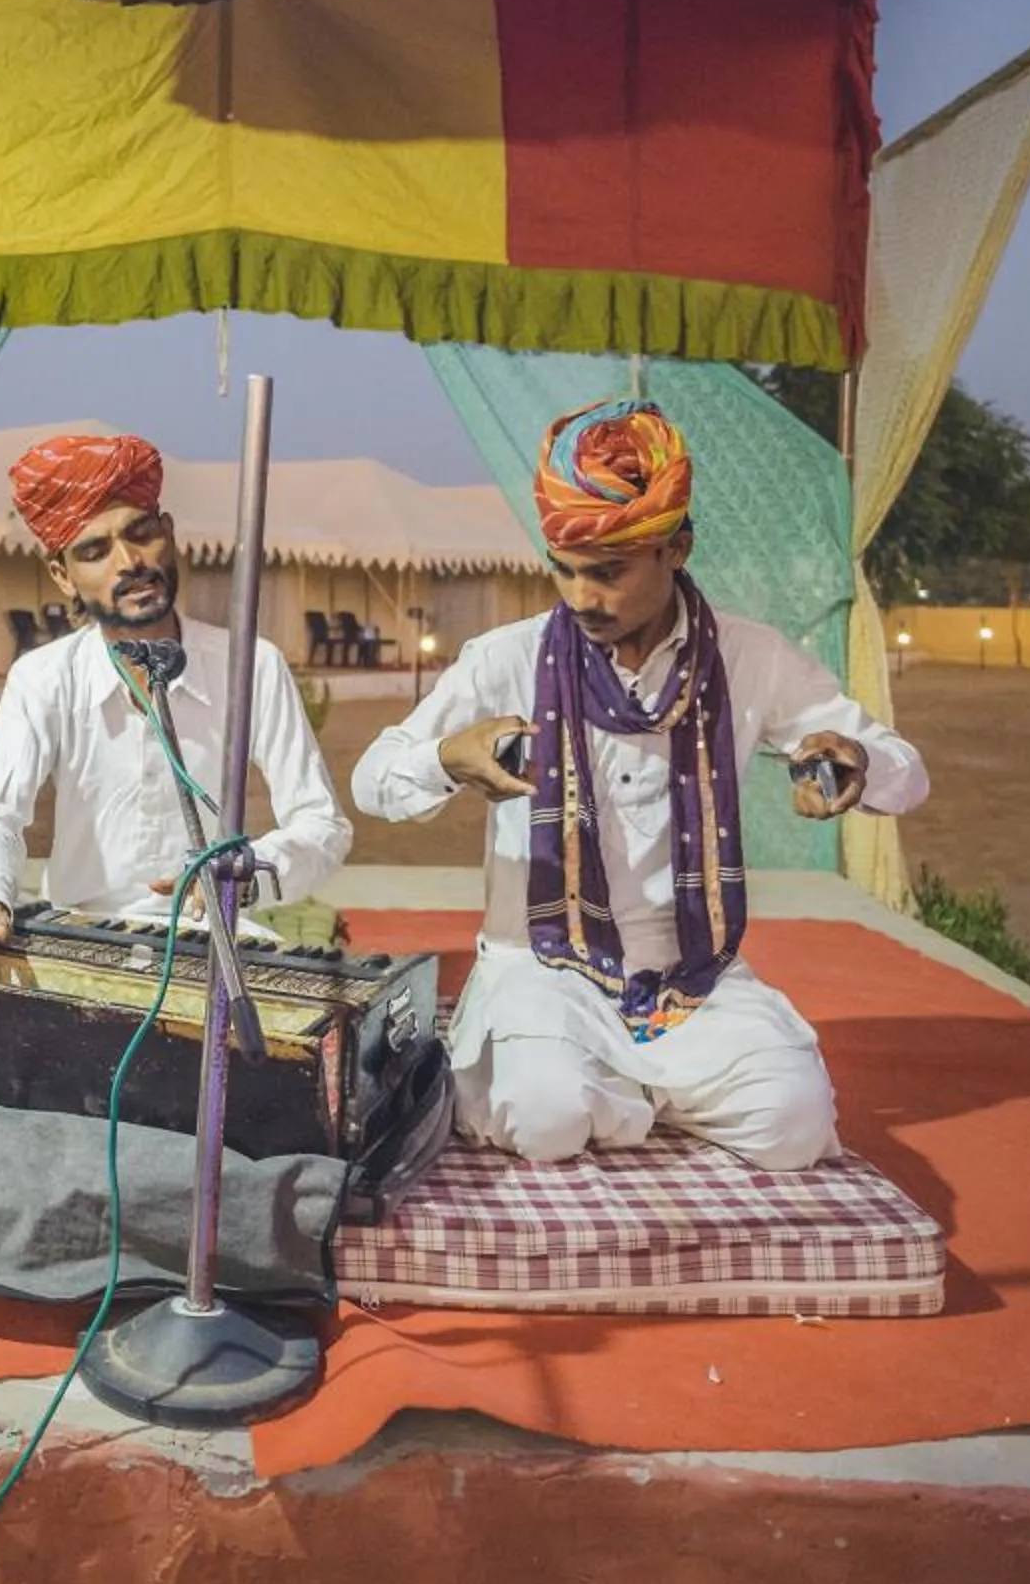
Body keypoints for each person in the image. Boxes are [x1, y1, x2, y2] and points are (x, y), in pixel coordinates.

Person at [350, 400, 925, 1169]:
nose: (581, 596)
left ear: (676, 547)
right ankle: (608, 1085)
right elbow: (372, 780)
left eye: (608, 572)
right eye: (565, 570)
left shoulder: (751, 660)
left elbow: (905, 772)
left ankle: (625, 1087)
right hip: (542, 964)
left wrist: (856, 762)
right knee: (545, 1116)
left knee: (792, 1124)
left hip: (688, 974)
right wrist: (447, 757)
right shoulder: (507, 659)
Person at [0, 431, 351, 972]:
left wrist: (247, 871)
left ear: (170, 535)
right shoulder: (42, 677)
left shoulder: (252, 665)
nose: (129, 562)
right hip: (72, 930)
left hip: (205, 931)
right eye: (95, 551)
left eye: (141, 534)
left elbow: (322, 825)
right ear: (63, 576)